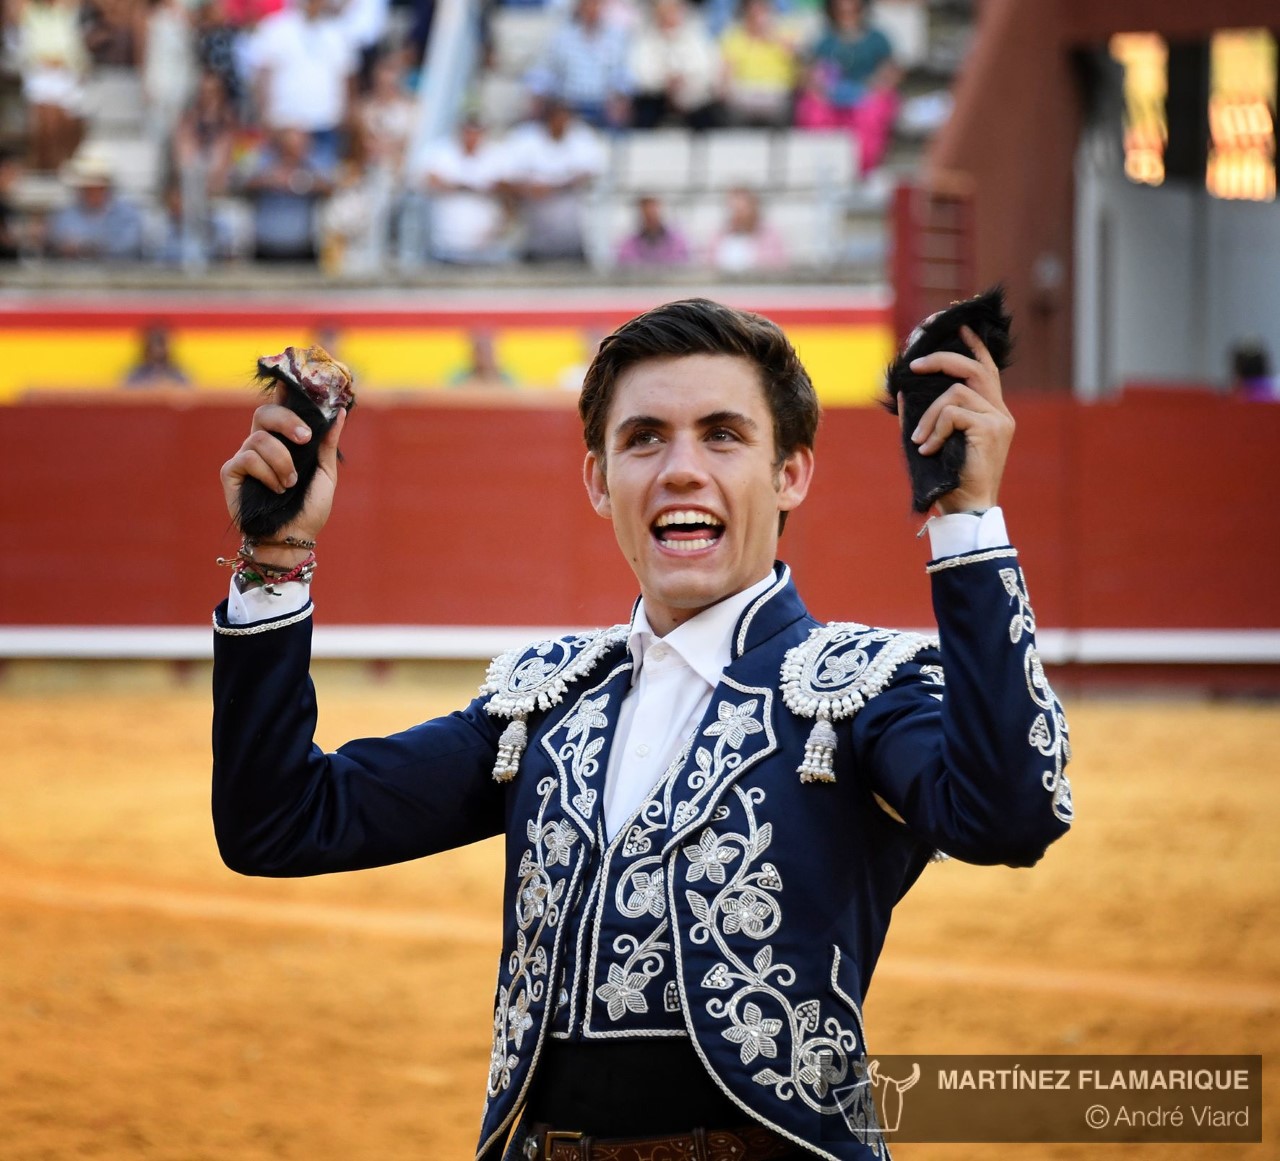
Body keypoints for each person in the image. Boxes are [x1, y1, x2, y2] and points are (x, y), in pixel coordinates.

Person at [212, 298, 1072, 1159]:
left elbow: (1010, 816)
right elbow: (280, 821)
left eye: (724, 435)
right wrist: (276, 562)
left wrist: (967, 520)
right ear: (599, 480)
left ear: (791, 475)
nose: (682, 470)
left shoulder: (854, 693)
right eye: (645, 437)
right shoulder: (545, 700)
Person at [794, 0, 900, 173]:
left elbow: (891, 72)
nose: (847, 14)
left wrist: (871, 89)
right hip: (830, 98)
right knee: (813, 111)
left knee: (872, 114)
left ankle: (863, 170)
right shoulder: (824, 40)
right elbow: (811, 74)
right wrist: (820, 89)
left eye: (853, 9)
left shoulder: (878, 39)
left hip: (867, 96)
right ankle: (824, 169)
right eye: (841, 10)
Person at [615, 193, 691, 267]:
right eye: (646, 210)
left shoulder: (677, 242)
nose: (650, 214)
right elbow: (624, 268)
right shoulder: (629, 245)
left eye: (653, 209)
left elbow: (684, 267)